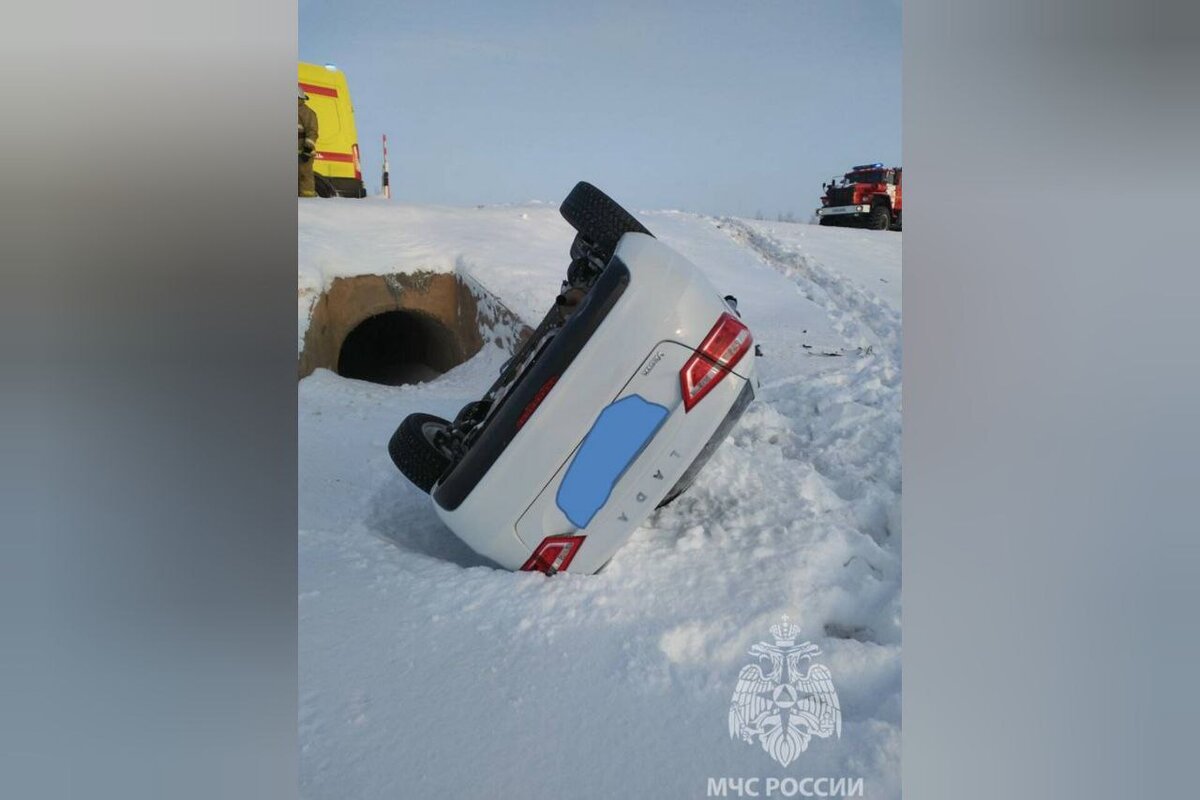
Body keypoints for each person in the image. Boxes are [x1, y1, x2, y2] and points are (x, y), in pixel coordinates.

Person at [298, 87, 319, 197]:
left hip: (303, 153)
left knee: (304, 178)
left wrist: (306, 150)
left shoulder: (306, 112)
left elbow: (312, 133)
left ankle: (308, 206)